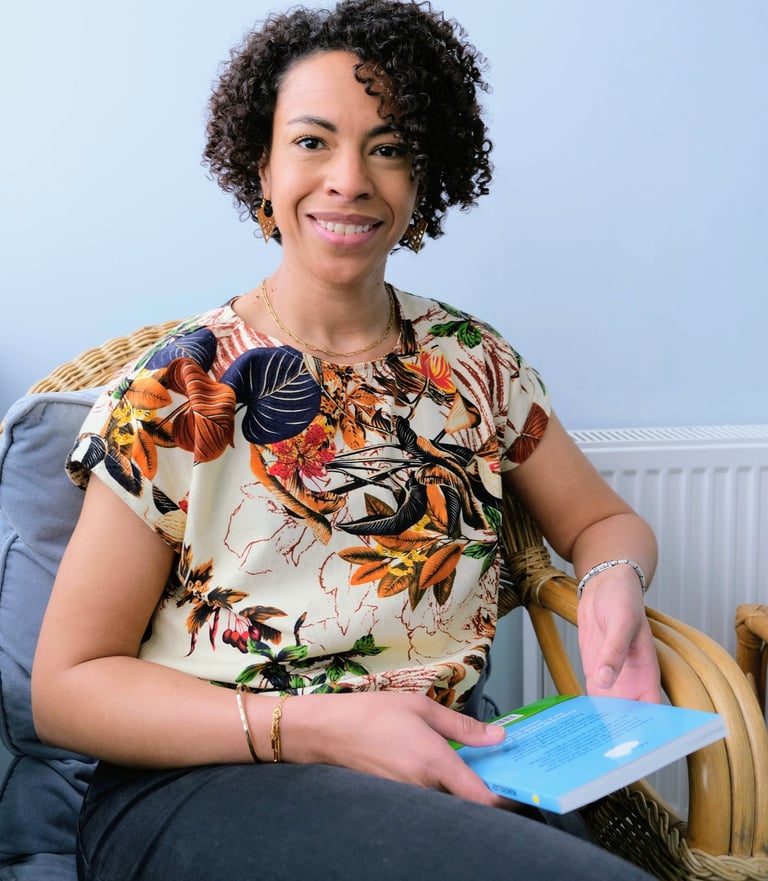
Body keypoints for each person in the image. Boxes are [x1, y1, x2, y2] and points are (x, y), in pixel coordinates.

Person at [31, 2, 660, 879]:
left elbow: (603, 523)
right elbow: (66, 687)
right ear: (261, 163)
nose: (350, 178)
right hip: (210, 779)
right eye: (313, 141)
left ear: (423, 176)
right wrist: (316, 725)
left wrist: (610, 585)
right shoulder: (182, 387)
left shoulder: (474, 362)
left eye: (390, 146)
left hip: (446, 763)